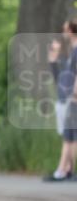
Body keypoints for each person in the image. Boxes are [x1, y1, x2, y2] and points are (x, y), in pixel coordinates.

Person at [46, 19, 77, 182]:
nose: (63, 32)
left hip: (72, 99)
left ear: (71, 31)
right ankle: (66, 169)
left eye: (65, 29)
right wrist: (53, 59)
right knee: (69, 135)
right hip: (68, 98)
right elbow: (62, 78)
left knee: (70, 135)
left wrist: (74, 92)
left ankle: (64, 170)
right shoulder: (72, 52)